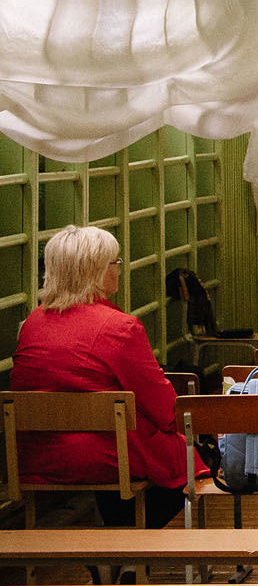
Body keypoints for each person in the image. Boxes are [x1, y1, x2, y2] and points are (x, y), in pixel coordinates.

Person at [8, 225, 187, 528]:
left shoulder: (31, 325)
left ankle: (113, 550)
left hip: (38, 458)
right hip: (108, 459)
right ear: (95, 272)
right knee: (191, 456)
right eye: (114, 263)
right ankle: (126, 549)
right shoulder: (120, 328)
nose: (118, 270)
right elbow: (164, 408)